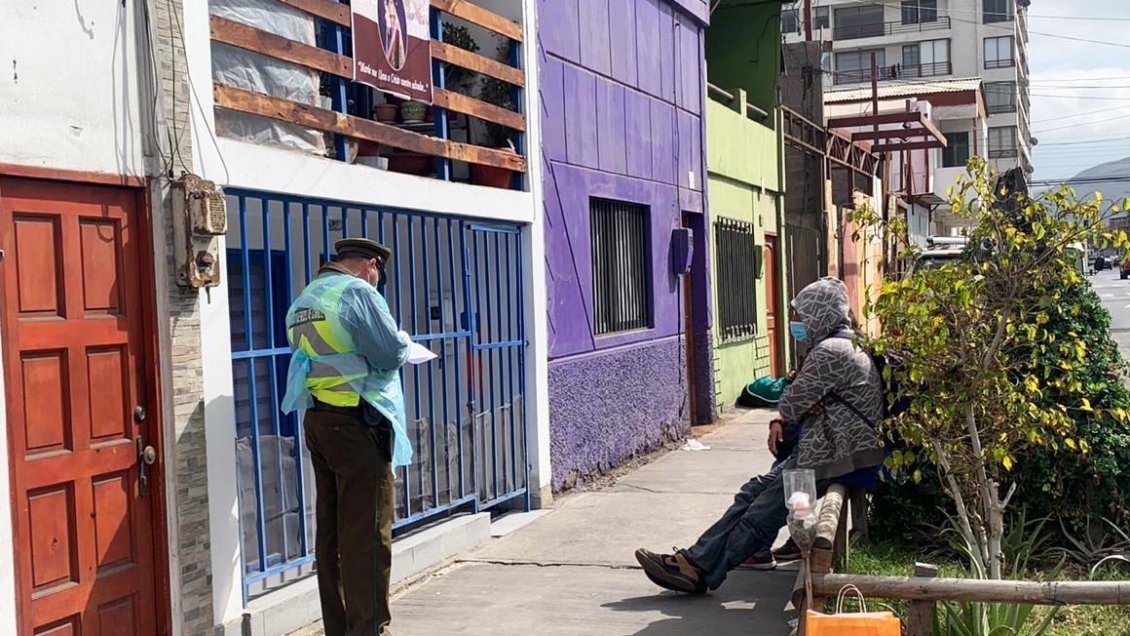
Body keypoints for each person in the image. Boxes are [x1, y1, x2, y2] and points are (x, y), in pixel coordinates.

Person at [635, 277, 884, 594]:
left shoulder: (831, 351)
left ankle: (701, 571)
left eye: (801, 315)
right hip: (823, 453)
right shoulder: (841, 344)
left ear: (820, 314)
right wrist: (799, 408)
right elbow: (796, 404)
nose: (796, 322)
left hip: (833, 459)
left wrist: (797, 408)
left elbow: (791, 404)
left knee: (761, 513)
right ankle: (696, 560)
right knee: (752, 494)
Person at [281, 238, 412, 636]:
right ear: (370, 264)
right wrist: (405, 342)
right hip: (356, 426)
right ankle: (370, 630)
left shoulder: (306, 297)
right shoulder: (357, 293)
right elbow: (388, 353)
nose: (378, 282)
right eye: (379, 275)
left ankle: (340, 628)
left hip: (319, 422)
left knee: (333, 533)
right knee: (368, 534)